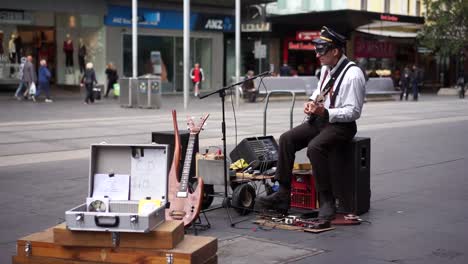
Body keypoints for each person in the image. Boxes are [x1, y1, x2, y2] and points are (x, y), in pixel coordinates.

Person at [254, 26, 366, 227]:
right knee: (287, 138)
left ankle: (327, 201)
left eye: (321, 50)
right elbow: (319, 91)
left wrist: (327, 112)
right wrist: (312, 102)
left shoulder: (354, 74)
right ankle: (282, 194)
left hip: (342, 125)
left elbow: (354, 111)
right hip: (321, 120)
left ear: (335, 51)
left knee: (315, 147)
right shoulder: (325, 69)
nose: (317, 54)